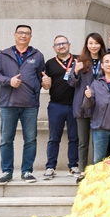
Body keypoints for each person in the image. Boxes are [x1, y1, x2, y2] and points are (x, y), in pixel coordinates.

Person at [0, 25, 48, 184]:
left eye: (27, 33)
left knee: (30, 140)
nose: (24, 35)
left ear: (31, 36)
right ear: (15, 35)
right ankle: (7, 171)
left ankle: (27, 171)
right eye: (21, 33)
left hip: (30, 105)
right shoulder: (4, 55)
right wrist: (8, 81)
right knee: (6, 140)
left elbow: (41, 78)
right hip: (8, 104)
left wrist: (45, 83)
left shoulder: (37, 56)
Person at [68, 32, 107, 181]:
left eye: (96, 43)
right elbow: (71, 83)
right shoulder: (80, 61)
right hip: (82, 105)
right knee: (83, 142)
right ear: (86, 45)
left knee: (100, 141)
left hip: (101, 106)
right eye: (90, 43)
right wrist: (76, 71)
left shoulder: (106, 60)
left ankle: (99, 170)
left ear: (101, 45)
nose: (94, 46)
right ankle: (83, 170)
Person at [42, 35, 79, 179]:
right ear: (54, 48)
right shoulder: (50, 63)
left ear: (69, 45)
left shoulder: (78, 60)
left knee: (74, 137)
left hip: (75, 105)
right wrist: (45, 83)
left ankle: (73, 166)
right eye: (58, 44)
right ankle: (50, 167)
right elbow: (47, 86)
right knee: (54, 138)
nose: (61, 46)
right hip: (56, 105)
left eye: (64, 43)